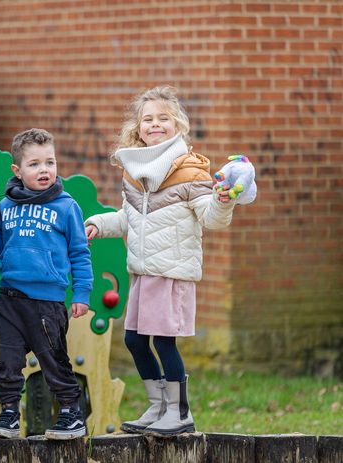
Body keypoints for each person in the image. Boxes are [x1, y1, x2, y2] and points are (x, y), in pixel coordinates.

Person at [85, 86, 253, 437]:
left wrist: (223, 201)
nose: (155, 124)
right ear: (138, 127)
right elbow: (129, 218)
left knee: (163, 342)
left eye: (163, 118)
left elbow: (211, 218)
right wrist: (100, 224)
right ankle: (157, 405)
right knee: (132, 340)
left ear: (178, 125)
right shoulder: (135, 171)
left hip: (172, 272)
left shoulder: (190, 171)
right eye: (148, 119)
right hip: (142, 272)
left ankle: (179, 412)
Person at [0, 128, 93, 440]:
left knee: (53, 360)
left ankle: (71, 412)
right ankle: (10, 413)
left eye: (50, 163)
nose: (44, 170)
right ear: (17, 170)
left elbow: (80, 253)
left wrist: (81, 292)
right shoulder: (5, 205)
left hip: (47, 303)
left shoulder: (66, 207)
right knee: (8, 363)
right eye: (35, 164)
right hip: (10, 300)